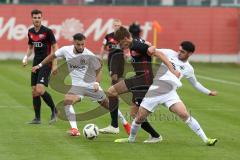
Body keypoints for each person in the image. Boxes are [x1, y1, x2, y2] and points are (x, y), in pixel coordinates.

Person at [115, 41, 218, 146]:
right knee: (139, 118)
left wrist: (209, 92)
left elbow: (195, 84)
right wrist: (149, 46)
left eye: (182, 52)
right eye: (179, 50)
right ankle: (131, 139)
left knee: (184, 114)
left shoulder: (189, 68)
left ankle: (206, 140)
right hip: (155, 91)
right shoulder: (169, 53)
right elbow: (153, 51)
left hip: (170, 93)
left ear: (190, 54)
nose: (179, 53)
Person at [107, 26, 180, 143]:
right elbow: (147, 45)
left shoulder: (136, 45)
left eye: (121, 43)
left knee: (113, 92)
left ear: (126, 38)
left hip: (144, 80)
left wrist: (172, 69)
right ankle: (154, 136)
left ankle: (114, 126)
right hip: (140, 79)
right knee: (133, 112)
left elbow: (158, 53)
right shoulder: (134, 43)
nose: (120, 46)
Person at [32, 33, 109, 136]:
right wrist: (39, 65)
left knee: (110, 106)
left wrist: (96, 83)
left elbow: (99, 68)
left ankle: (124, 124)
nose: (81, 47)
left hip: (91, 85)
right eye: (78, 44)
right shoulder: (65, 50)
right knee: (67, 101)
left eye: (83, 44)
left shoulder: (89, 54)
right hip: (77, 87)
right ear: (74, 43)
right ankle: (75, 130)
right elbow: (52, 56)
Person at [22, 9, 58, 124]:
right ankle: (37, 118)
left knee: (40, 89)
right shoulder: (30, 31)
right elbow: (30, 47)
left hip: (46, 62)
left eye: (39, 17)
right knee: (34, 91)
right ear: (32, 18)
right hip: (35, 63)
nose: (37, 19)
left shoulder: (48, 31)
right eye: (35, 17)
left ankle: (54, 110)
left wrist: (54, 65)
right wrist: (26, 57)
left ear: (42, 18)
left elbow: (55, 48)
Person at [99, 19, 131, 135]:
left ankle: (117, 95)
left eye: (119, 25)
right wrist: (100, 57)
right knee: (114, 83)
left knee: (114, 82)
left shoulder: (123, 37)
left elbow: (127, 48)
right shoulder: (108, 36)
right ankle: (117, 94)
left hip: (119, 60)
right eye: (115, 25)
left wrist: (128, 55)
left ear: (121, 26)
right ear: (113, 26)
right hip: (111, 60)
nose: (117, 27)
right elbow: (103, 47)